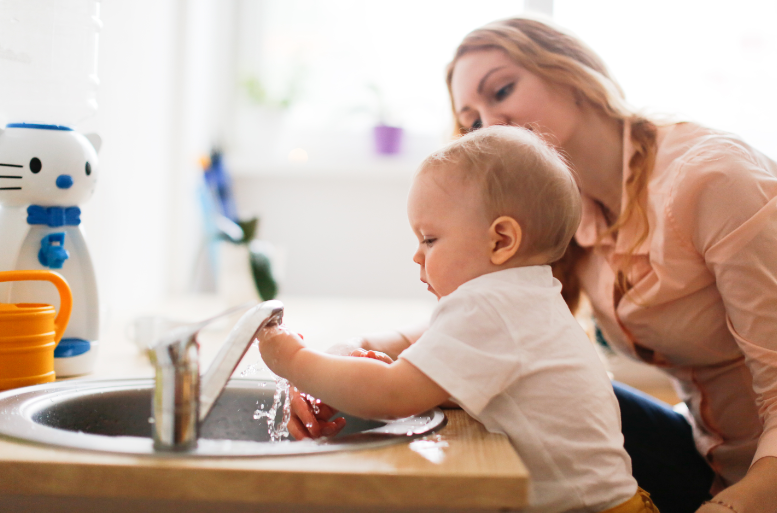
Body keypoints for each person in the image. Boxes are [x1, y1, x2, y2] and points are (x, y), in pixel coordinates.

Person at [287, 15, 777, 513]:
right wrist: (353, 351)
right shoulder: (562, 218)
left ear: (572, 73)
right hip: (701, 454)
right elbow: (475, 330)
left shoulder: (713, 179)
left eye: (501, 90)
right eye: (472, 119)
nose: (490, 123)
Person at [259, 126, 658, 513]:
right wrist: (344, 354)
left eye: (429, 239)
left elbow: (392, 395)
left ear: (501, 240)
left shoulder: (492, 307)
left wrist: (291, 359)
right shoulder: (524, 298)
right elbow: (396, 341)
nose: (417, 255)